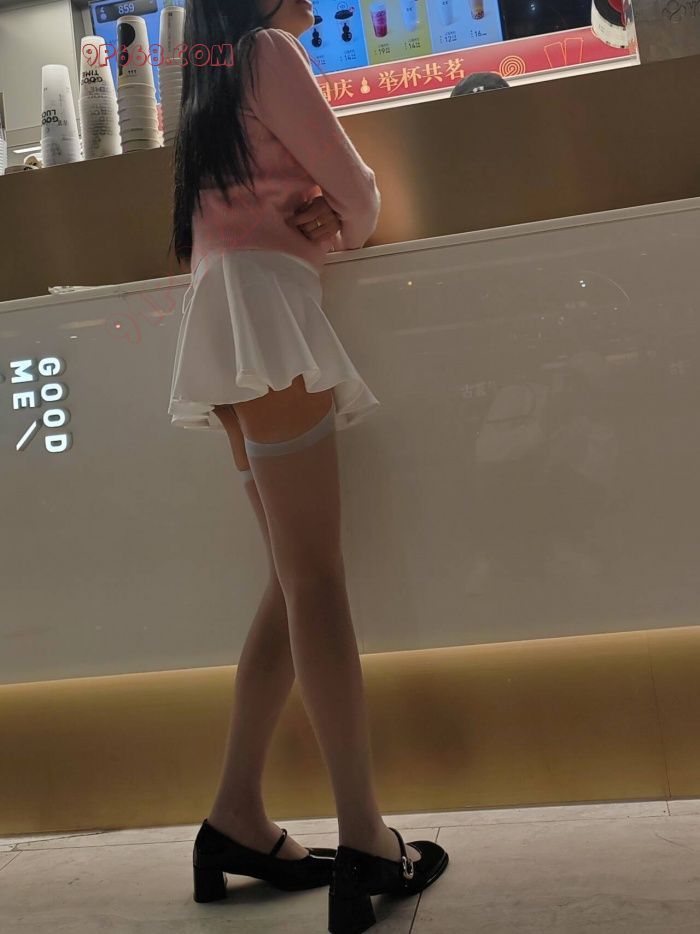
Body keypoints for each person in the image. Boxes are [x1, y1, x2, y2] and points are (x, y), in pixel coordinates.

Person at [167, 1, 448, 929]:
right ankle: (366, 839)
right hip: (268, 314)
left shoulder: (208, 65)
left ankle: (234, 817)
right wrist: (343, 215)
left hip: (223, 314)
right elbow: (359, 195)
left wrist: (331, 208)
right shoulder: (267, 52)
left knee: (294, 580)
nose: (318, 5)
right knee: (317, 579)